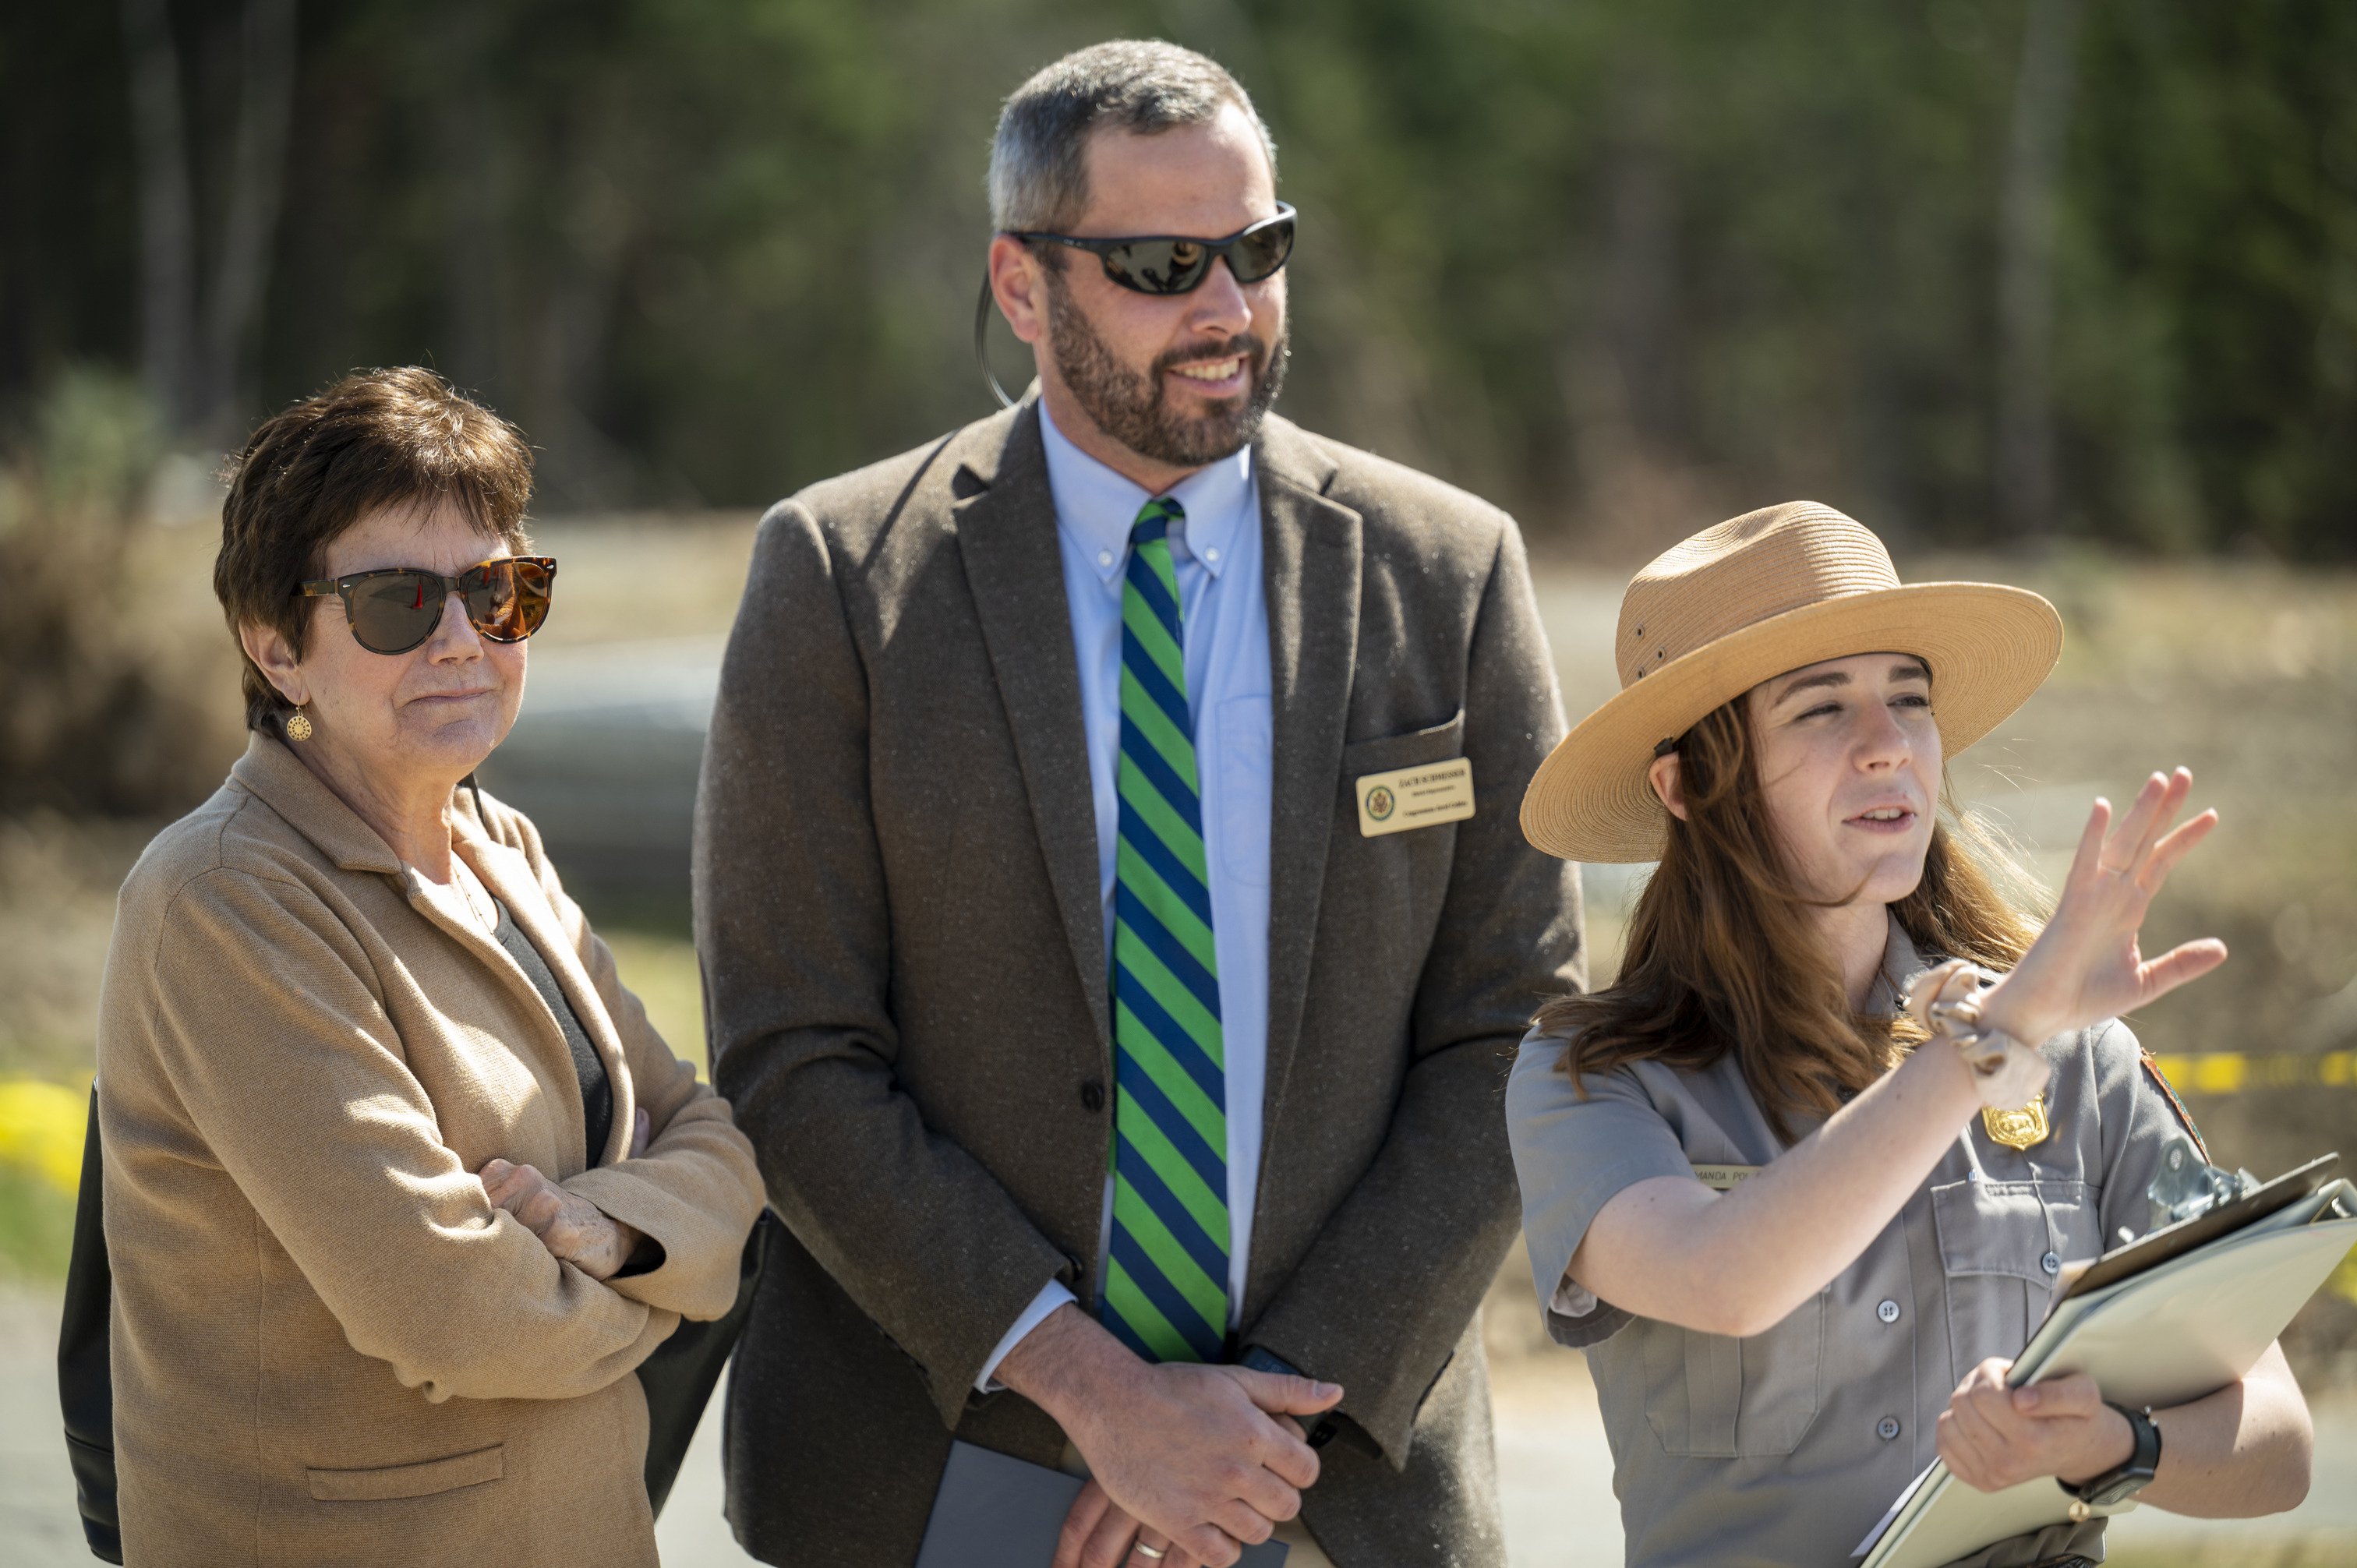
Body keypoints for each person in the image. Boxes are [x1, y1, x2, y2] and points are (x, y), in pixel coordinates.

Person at [696, 39, 1585, 1568]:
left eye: (1260, 250)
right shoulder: (842, 579)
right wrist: (1093, 1387)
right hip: (939, 1468)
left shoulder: (1450, 575)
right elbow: (794, 1052)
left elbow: (1517, 1028)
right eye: (1168, 262)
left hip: (1333, 1481)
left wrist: (1258, 1425)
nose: (1229, 308)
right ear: (1023, 285)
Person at [1504, 502, 2315, 1568]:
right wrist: (1991, 1042)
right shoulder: (1591, 1078)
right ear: (1690, 783)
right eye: (1821, 709)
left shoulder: (2074, 1054)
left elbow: (2282, 1446)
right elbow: (1727, 1281)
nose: (1889, 746)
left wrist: (2116, 1443)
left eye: (1908, 697)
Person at [94, 367, 766, 1566]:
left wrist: (606, 1238)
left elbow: (707, 1134)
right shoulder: (224, 898)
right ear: (275, 646)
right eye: (398, 603)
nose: (463, 640)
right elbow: (450, 1310)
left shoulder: (496, 842)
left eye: (499, 593)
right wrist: (676, 1282)